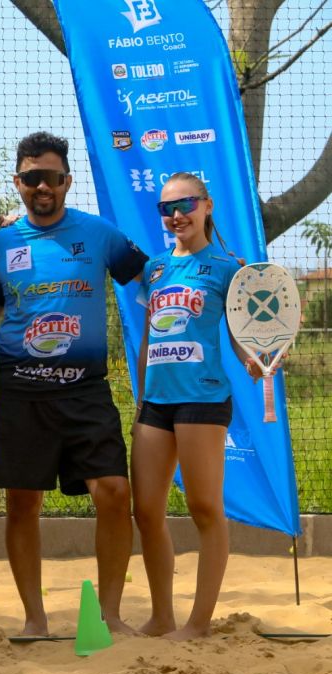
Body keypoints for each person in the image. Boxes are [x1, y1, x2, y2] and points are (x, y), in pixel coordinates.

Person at [0, 132, 147, 636]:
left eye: (51, 177)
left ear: (67, 181)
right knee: (23, 503)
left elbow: (149, 278)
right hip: (20, 390)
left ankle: (109, 614)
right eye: (31, 178)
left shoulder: (100, 234)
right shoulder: (1, 243)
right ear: (18, 183)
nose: (41, 186)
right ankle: (35, 619)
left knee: (116, 492)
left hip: (86, 390)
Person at [131, 172, 258, 640]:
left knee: (205, 508)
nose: (176, 215)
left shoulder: (229, 269)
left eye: (185, 204)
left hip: (202, 399)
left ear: (206, 206)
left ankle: (199, 623)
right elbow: (148, 336)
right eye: (166, 208)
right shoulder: (155, 269)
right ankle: (161, 617)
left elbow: (246, 337)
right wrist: (141, 401)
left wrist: (255, 360)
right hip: (156, 404)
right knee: (146, 511)